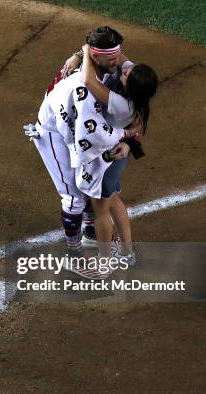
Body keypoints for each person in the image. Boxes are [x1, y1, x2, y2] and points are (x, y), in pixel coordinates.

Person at [24, 26, 136, 279]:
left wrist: (82, 51)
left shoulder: (109, 65)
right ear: (95, 58)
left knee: (89, 187)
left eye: (118, 56)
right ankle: (73, 255)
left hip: (82, 128)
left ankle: (89, 232)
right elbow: (75, 135)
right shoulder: (78, 90)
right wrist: (101, 153)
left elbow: (118, 63)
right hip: (55, 132)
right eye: (112, 59)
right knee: (74, 195)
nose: (118, 63)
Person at [78, 43, 158, 265]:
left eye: (125, 74)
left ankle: (104, 261)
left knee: (101, 208)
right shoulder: (138, 87)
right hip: (116, 154)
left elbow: (88, 81)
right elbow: (119, 56)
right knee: (113, 200)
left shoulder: (122, 104)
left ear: (130, 86)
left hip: (108, 159)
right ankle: (126, 252)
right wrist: (96, 50)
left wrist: (85, 51)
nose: (123, 70)